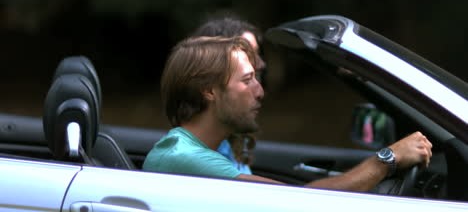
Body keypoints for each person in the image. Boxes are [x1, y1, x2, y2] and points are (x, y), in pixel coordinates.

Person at [143, 36, 433, 192]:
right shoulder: (184, 159)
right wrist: (387, 160)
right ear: (209, 91)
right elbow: (298, 204)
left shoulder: (202, 150)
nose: (260, 91)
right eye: (247, 80)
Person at [190, 13, 265, 174]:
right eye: (249, 54)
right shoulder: (204, 149)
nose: (260, 63)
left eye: (257, 53)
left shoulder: (231, 137)